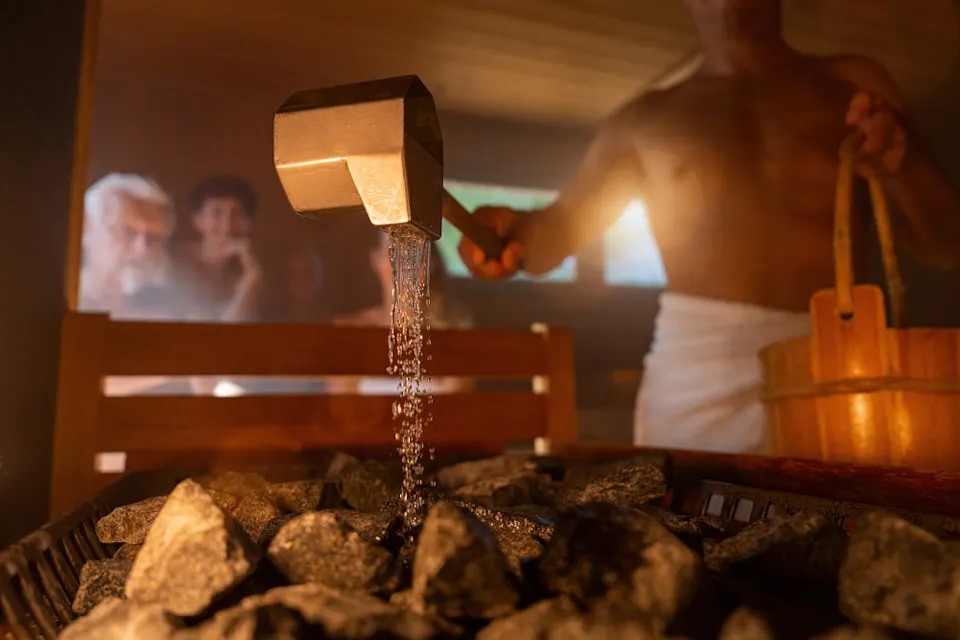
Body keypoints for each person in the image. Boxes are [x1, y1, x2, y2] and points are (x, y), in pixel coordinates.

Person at [457, 0, 960, 454]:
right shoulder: (645, 120)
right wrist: (503, 232)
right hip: (696, 374)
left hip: (835, 363)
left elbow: (943, 246)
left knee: (838, 543)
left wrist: (902, 160)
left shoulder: (854, 85)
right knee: (686, 541)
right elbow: (548, 241)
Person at [332, 230, 473, 394]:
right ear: (376, 260)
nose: (401, 262)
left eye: (411, 253)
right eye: (392, 250)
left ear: (428, 263)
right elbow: (340, 409)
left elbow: (457, 407)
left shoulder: (452, 338)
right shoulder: (351, 333)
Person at [79, 173, 181, 319]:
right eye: (127, 231)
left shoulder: (173, 311)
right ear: (86, 228)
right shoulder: (59, 304)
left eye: (154, 237)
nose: (142, 248)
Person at [171, 175, 262, 322]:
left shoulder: (250, 268)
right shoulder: (176, 265)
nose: (226, 225)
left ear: (248, 223)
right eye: (216, 213)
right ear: (197, 221)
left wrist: (251, 277)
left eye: (236, 214)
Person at [259, 245, 336, 324]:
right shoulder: (273, 325)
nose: (300, 282)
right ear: (286, 281)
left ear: (318, 279)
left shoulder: (332, 324)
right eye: (294, 275)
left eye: (307, 274)